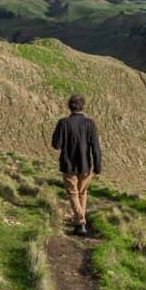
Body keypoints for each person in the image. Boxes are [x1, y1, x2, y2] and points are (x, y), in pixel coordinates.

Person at [51, 94, 102, 236]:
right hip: (85, 165)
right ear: (82, 107)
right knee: (82, 193)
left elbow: (56, 145)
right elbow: (96, 147)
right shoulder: (90, 123)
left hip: (68, 164)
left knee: (73, 193)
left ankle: (80, 222)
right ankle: (80, 222)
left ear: (70, 106)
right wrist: (97, 166)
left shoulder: (63, 123)